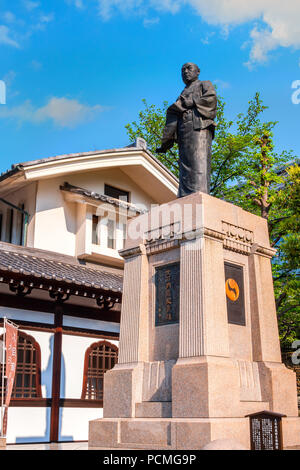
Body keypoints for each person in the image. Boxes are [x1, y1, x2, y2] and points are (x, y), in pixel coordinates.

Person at [156, 63, 217, 197]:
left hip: (198, 127)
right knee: (185, 164)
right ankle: (185, 195)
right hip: (184, 131)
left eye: (189, 68)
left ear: (198, 71)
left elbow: (211, 99)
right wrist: (166, 141)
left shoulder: (204, 84)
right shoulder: (182, 92)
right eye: (183, 70)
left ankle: (199, 193)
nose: (185, 72)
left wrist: (192, 102)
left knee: (198, 161)